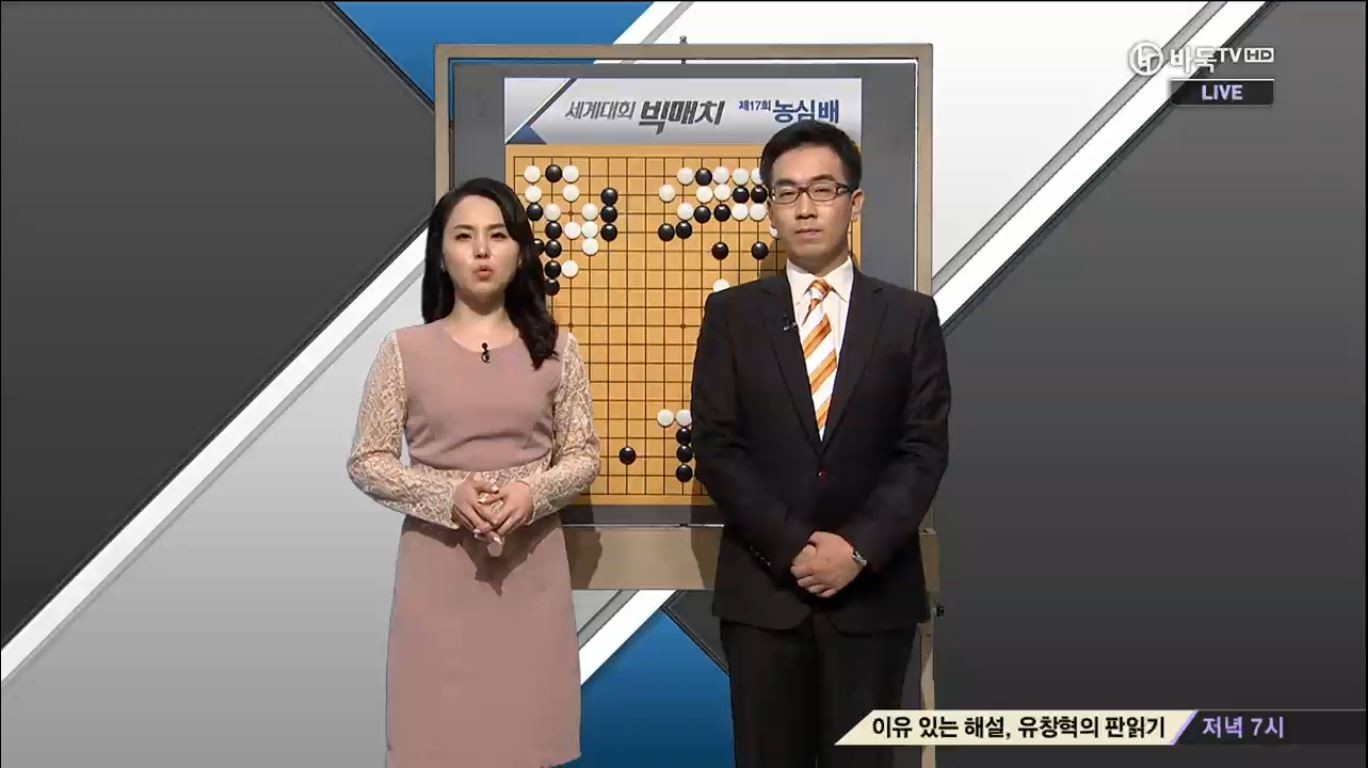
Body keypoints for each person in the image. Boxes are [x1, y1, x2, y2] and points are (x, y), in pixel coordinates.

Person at [690, 121, 952, 768]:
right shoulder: (732, 316)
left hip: (874, 595)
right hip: (764, 596)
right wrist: (793, 547)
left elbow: (922, 451)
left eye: (822, 189)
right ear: (771, 209)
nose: (805, 207)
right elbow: (718, 446)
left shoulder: (909, 316)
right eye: (787, 192)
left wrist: (855, 548)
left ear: (854, 203)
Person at [346, 176, 600, 768]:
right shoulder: (402, 350)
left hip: (531, 574)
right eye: (464, 236)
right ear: (441, 255)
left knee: (527, 743)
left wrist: (531, 493)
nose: (482, 250)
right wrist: (447, 493)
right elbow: (367, 460)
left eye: (498, 235)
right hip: (437, 577)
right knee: (437, 743)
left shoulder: (559, 350)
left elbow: (583, 455)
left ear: (520, 251)